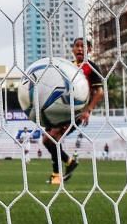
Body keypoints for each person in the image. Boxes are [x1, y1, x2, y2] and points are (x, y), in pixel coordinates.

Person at [44, 38, 104, 185]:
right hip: (62, 109)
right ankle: (67, 165)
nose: (80, 49)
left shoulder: (91, 67)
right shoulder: (68, 66)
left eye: (83, 46)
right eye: (77, 46)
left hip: (77, 112)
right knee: (48, 140)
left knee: (52, 138)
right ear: (73, 49)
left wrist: (88, 110)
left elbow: (99, 92)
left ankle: (58, 173)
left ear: (89, 50)